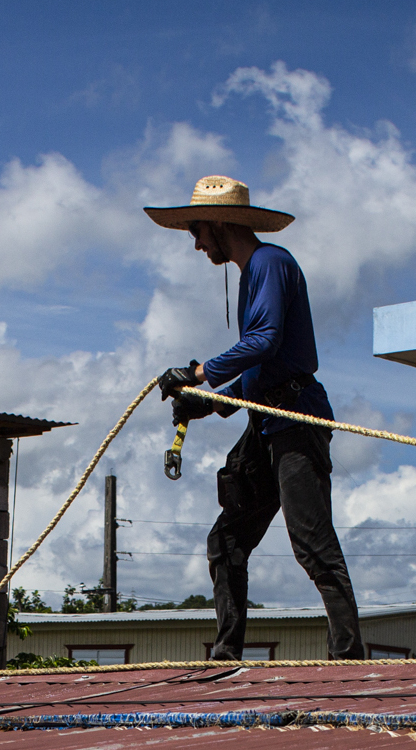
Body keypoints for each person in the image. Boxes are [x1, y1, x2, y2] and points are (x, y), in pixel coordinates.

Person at [145, 175, 364, 661]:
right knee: (225, 541)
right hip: (266, 423)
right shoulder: (252, 275)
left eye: (198, 231)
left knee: (311, 542)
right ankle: (226, 657)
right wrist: (207, 402)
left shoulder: (270, 263)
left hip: (297, 421)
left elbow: (263, 341)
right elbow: (258, 373)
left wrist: (199, 374)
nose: (198, 244)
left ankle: (349, 659)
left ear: (220, 224)